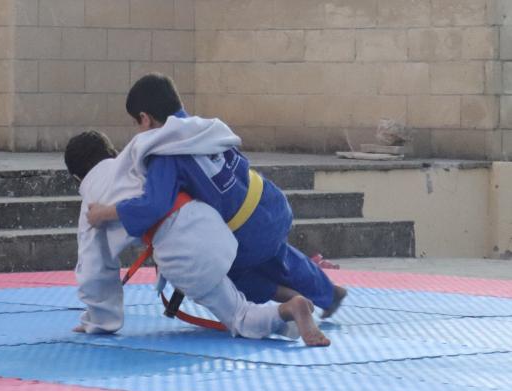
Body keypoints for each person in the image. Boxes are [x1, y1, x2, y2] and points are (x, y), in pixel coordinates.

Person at [87, 73, 347, 319]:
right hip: (270, 204)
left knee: (220, 272)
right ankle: (329, 293)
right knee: (281, 256)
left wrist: (104, 213)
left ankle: (291, 300)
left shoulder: (165, 153)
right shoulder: (206, 128)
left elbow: (153, 206)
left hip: (246, 231)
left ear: (145, 119)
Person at [66, 130, 330, 346]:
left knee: (239, 316)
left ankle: (291, 308)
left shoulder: (92, 199)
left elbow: (94, 270)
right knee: (234, 283)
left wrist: (100, 320)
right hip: (209, 222)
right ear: (112, 152)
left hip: (182, 250)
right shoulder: (137, 159)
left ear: (77, 178)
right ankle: (289, 319)